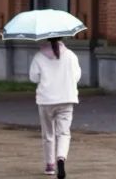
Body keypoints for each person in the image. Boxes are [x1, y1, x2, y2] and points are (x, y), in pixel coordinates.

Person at [29, 38, 81, 178]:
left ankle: (50, 165)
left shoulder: (39, 56)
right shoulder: (71, 55)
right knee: (64, 133)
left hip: (46, 100)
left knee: (48, 134)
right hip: (66, 98)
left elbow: (33, 78)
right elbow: (76, 76)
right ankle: (61, 158)